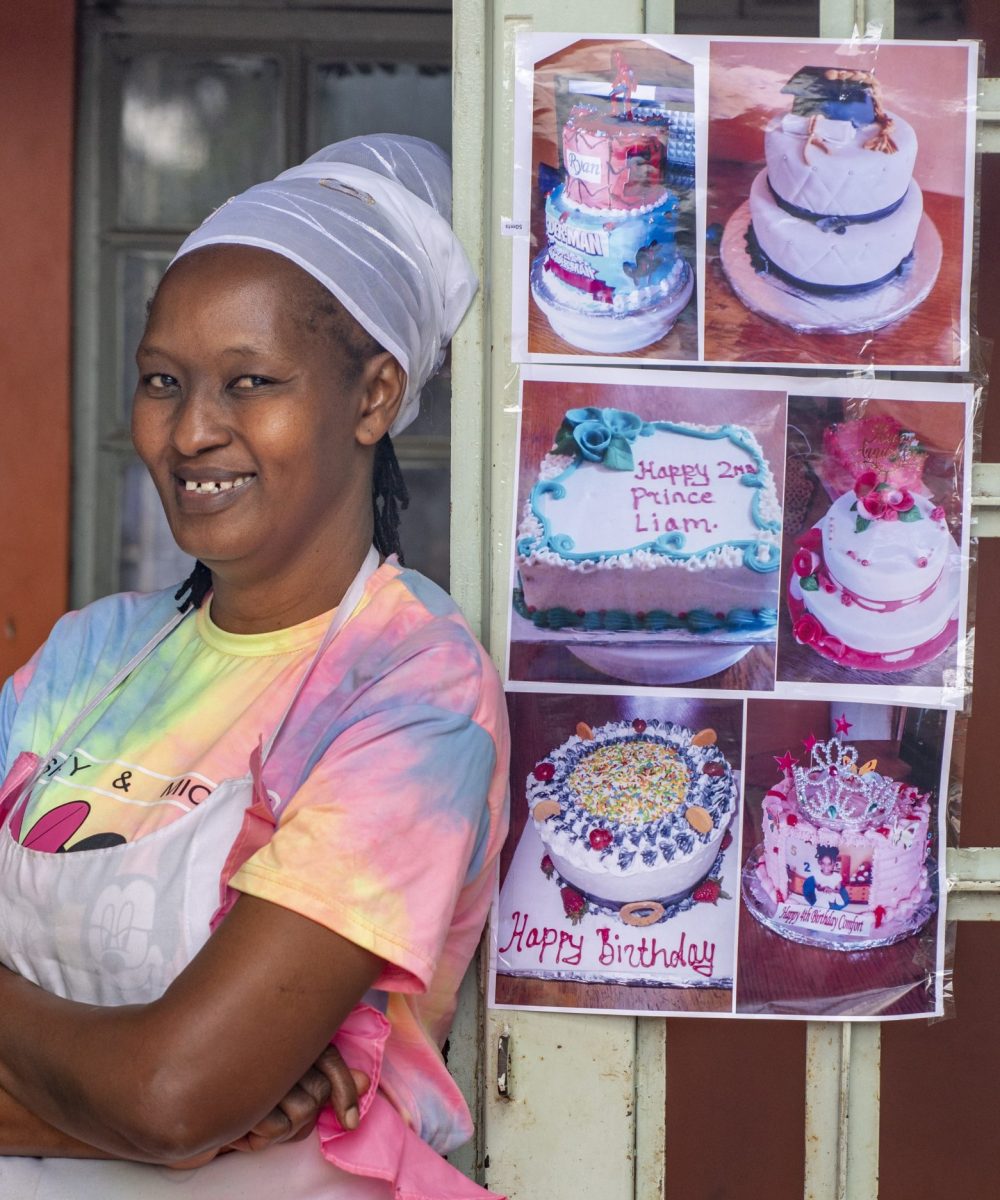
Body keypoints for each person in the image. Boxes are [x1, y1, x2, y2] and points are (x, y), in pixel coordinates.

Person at [0, 134, 509, 1199]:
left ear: (373, 397)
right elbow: (183, 1109)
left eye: (249, 382)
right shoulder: (92, 651)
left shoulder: (411, 694)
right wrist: (162, 1101)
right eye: (162, 381)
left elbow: (174, 1092)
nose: (191, 432)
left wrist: (169, 1099)